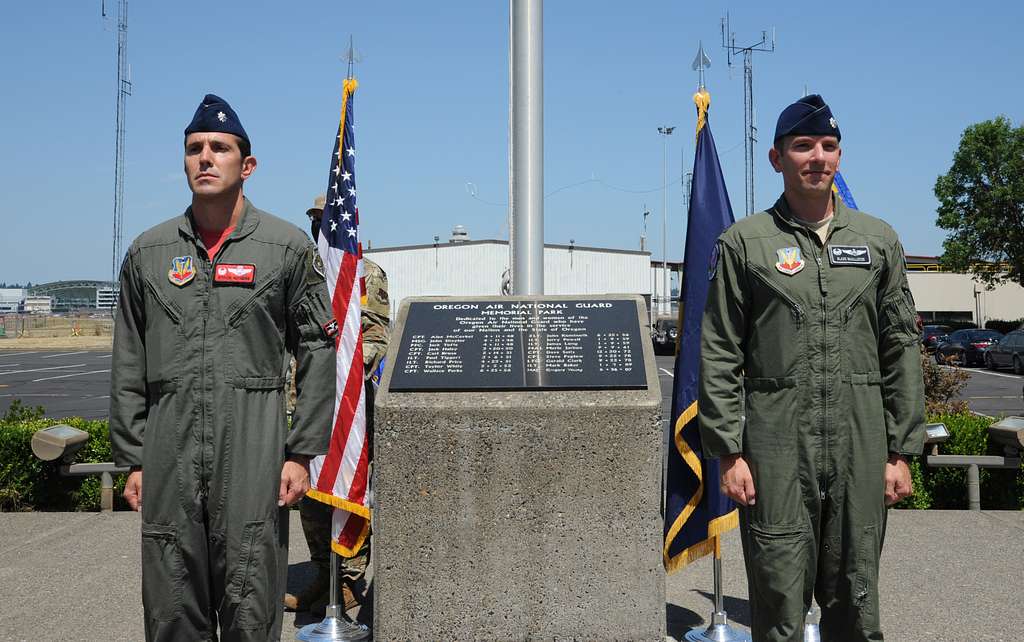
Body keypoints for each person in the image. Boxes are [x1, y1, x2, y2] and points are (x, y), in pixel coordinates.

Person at [109, 94, 337, 641]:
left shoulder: (285, 249)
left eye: (219, 147)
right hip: (170, 460)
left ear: (246, 165)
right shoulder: (149, 254)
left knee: (251, 606)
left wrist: (301, 451)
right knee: (171, 608)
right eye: (194, 149)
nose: (205, 157)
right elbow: (128, 360)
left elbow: (317, 346)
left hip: (253, 456)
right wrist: (134, 459)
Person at [698, 94, 926, 641]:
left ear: (840, 157)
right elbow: (721, 350)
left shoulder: (878, 241)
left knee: (857, 593)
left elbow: (900, 347)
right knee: (777, 598)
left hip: (861, 444)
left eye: (827, 146)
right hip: (777, 448)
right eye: (802, 146)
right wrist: (729, 451)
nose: (816, 157)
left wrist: (900, 451)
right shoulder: (744, 244)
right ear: (778, 159)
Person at [282, 195, 390, 620]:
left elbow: (377, 336)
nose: (319, 227)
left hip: (348, 407)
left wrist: (340, 363)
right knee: (309, 496)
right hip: (304, 403)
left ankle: (348, 582)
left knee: (348, 493)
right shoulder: (301, 273)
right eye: (314, 221)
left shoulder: (367, 273)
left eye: (326, 220)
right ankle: (322, 574)